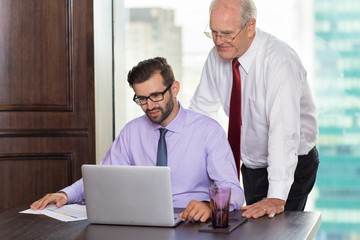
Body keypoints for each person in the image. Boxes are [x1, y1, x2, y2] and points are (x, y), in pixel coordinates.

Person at [31, 57, 244, 223]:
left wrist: (209, 205)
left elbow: (233, 190)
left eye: (156, 96)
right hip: (140, 222)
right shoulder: (132, 131)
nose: (149, 106)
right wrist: (65, 194)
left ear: (175, 88)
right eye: (141, 99)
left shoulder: (208, 130)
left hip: (189, 221)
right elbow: (103, 178)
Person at [190, 0, 319, 219]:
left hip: (292, 163)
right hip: (251, 164)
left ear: (250, 27)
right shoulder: (218, 55)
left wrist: (276, 197)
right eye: (213, 32)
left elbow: (283, 132)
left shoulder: (279, 61)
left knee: (276, 231)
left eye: (227, 34)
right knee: (251, 228)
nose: (219, 41)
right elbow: (200, 112)